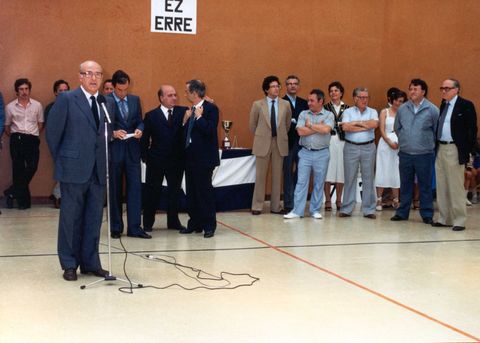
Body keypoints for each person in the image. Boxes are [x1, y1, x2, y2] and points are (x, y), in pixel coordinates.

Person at [46, 60, 114, 281]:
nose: (94, 78)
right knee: (70, 219)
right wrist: (64, 161)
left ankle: (90, 263)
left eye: (98, 74)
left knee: (94, 218)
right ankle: (68, 263)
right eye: (88, 74)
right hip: (73, 169)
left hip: (97, 170)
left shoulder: (106, 103)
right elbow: (53, 134)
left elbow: (105, 136)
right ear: (80, 77)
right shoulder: (67, 99)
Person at [108, 70, 150, 239]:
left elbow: (139, 120)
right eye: (119, 90)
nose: (123, 93)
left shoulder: (135, 100)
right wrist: (113, 133)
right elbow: (101, 126)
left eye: (126, 89)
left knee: (135, 189)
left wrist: (140, 128)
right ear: (113, 87)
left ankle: (135, 227)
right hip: (115, 150)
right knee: (115, 190)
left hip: (132, 149)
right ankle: (116, 228)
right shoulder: (106, 100)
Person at [432, 78, 477, 231]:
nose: (443, 91)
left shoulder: (466, 105)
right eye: (442, 88)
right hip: (441, 148)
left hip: (455, 149)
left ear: (456, 89)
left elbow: (472, 130)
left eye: (447, 88)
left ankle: (459, 220)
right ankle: (445, 218)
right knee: (442, 184)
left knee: (455, 185)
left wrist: (468, 151)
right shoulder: (443, 105)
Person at [391, 79, 439, 224]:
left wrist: (424, 143)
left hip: (424, 154)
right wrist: (406, 141)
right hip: (405, 153)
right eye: (410, 89)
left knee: (424, 185)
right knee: (405, 184)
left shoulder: (432, 109)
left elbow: (436, 131)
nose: (412, 91)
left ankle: (426, 213)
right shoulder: (402, 108)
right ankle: (402, 212)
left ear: (423, 92)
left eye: (415, 89)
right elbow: (398, 128)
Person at [141, 85, 187, 232]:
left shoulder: (183, 112)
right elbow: (144, 139)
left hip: (176, 161)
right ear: (161, 98)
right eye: (170, 95)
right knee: (152, 193)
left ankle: (173, 222)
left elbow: (201, 108)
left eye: (175, 95)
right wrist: (146, 157)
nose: (174, 98)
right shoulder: (151, 116)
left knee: (174, 193)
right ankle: (148, 223)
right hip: (156, 161)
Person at [284, 89, 334, 219]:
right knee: (301, 182)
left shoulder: (329, 115)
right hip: (305, 152)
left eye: (312, 100)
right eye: (308, 100)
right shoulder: (303, 114)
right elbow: (300, 132)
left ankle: (315, 210)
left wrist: (310, 125)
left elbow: (327, 130)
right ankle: (297, 211)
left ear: (320, 101)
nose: (309, 103)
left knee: (319, 182)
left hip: (322, 153)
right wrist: (318, 127)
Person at [180, 79, 219, 238]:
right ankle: (194, 223)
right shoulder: (190, 110)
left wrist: (199, 118)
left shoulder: (210, 109)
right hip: (190, 158)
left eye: (187, 91)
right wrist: (185, 121)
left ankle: (209, 225)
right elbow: (185, 135)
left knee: (204, 193)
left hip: (204, 159)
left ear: (195, 93)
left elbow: (210, 131)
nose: (185, 94)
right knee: (192, 193)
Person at [250, 75, 292, 215]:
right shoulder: (257, 104)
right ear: (266, 89)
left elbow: (287, 125)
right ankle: (257, 206)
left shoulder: (285, 104)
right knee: (260, 176)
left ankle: (276, 206)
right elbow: (253, 125)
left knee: (277, 176)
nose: (276, 89)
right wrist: (263, 135)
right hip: (263, 143)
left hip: (279, 143)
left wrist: (278, 135)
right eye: (273, 86)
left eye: (277, 86)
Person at [338, 87, 378, 219]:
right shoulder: (348, 111)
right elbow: (346, 127)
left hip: (368, 147)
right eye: (361, 97)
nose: (364, 100)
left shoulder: (373, 111)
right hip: (351, 147)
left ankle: (369, 209)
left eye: (366, 97)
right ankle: (347, 208)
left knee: (368, 178)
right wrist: (364, 125)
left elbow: (374, 125)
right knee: (349, 178)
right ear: (355, 98)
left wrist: (356, 124)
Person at [4, 79, 44, 210]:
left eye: (26, 89)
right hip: (17, 139)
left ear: (29, 90)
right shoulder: (10, 107)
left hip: (32, 139)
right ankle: (23, 203)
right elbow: (7, 127)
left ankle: (11, 191)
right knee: (18, 170)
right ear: (17, 91)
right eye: (21, 89)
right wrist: (16, 136)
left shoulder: (37, 105)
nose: (24, 92)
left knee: (32, 167)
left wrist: (32, 134)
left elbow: (40, 124)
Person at [375, 89, 406, 211]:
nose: (400, 103)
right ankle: (379, 199)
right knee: (383, 169)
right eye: (398, 101)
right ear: (392, 100)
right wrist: (389, 141)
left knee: (396, 170)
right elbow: (381, 130)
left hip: (399, 143)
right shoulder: (384, 112)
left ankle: (396, 199)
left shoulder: (404, 113)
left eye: (402, 101)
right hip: (385, 143)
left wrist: (399, 142)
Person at [282, 75, 308, 212]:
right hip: (286, 143)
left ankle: (298, 202)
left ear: (298, 86)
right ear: (286, 86)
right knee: (287, 173)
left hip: (302, 143)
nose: (292, 86)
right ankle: (288, 203)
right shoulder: (281, 102)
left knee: (300, 174)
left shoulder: (304, 103)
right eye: (290, 83)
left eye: (295, 83)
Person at [323, 81, 349, 211]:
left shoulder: (348, 108)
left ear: (341, 93)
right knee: (328, 170)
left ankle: (339, 200)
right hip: (329, 141)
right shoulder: (325, 107)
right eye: (331, 91)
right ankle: (328, 200)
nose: (333, 93)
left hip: (343, 142)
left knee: (341, 172)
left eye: (336, 90)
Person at [45, 79, 70, 208]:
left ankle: (58, 195)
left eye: (66, 90)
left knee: (68, 171)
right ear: (55, 92)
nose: (64, 93)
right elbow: (50, 131)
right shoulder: (50, 108)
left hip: (72, 146)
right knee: (62, 170)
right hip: (58, 146)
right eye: (61, 91)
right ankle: (58, 195)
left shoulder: (74, 106)